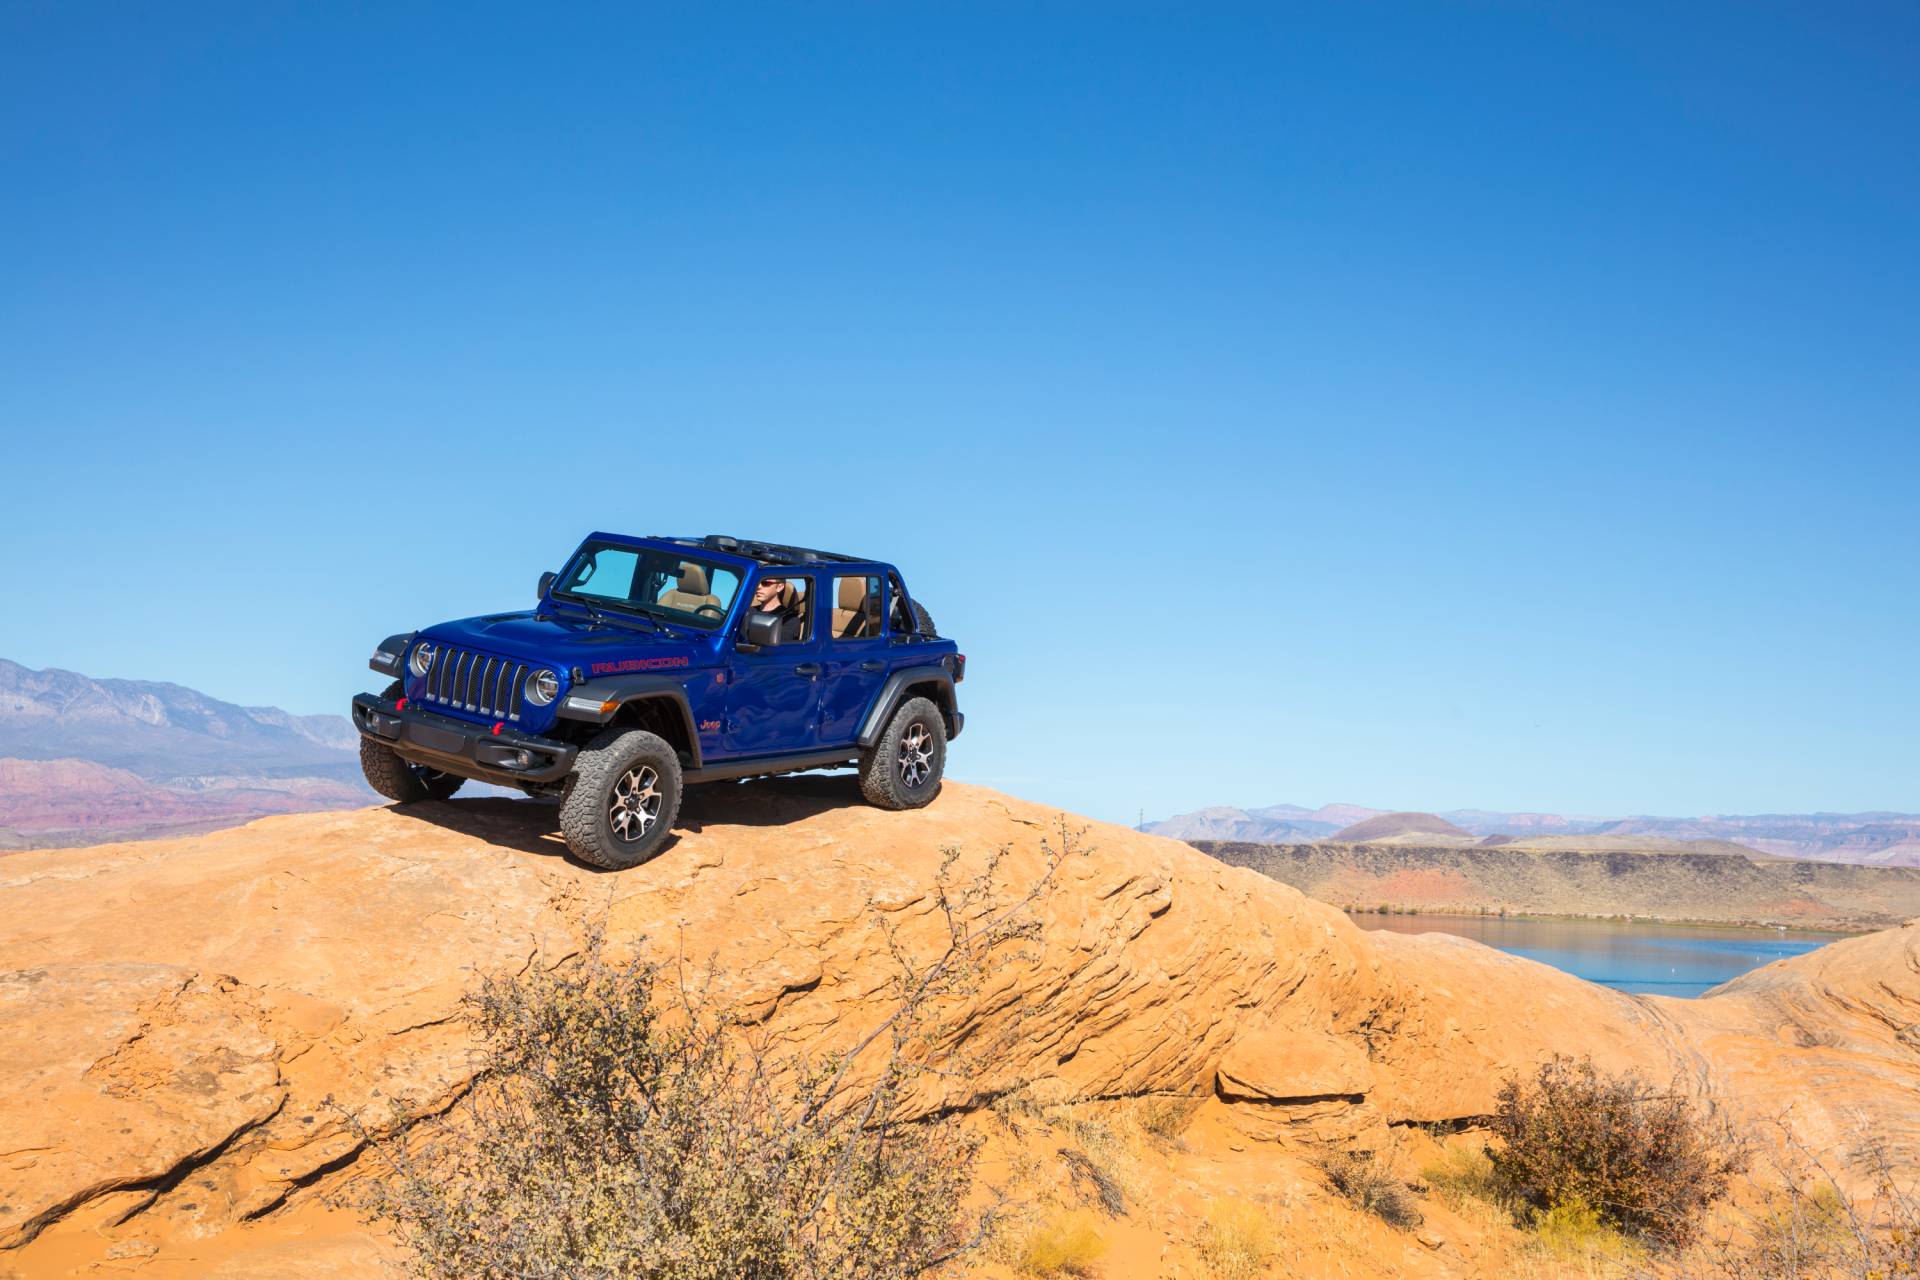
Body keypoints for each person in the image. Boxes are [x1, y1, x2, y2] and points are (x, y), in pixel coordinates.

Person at [748, 576, 805, 643]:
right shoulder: (747, 611)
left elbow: (778, 649)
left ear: (779, 587)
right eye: (757, 583)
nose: (758, 587)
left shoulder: (789, 619)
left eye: (765, 583)